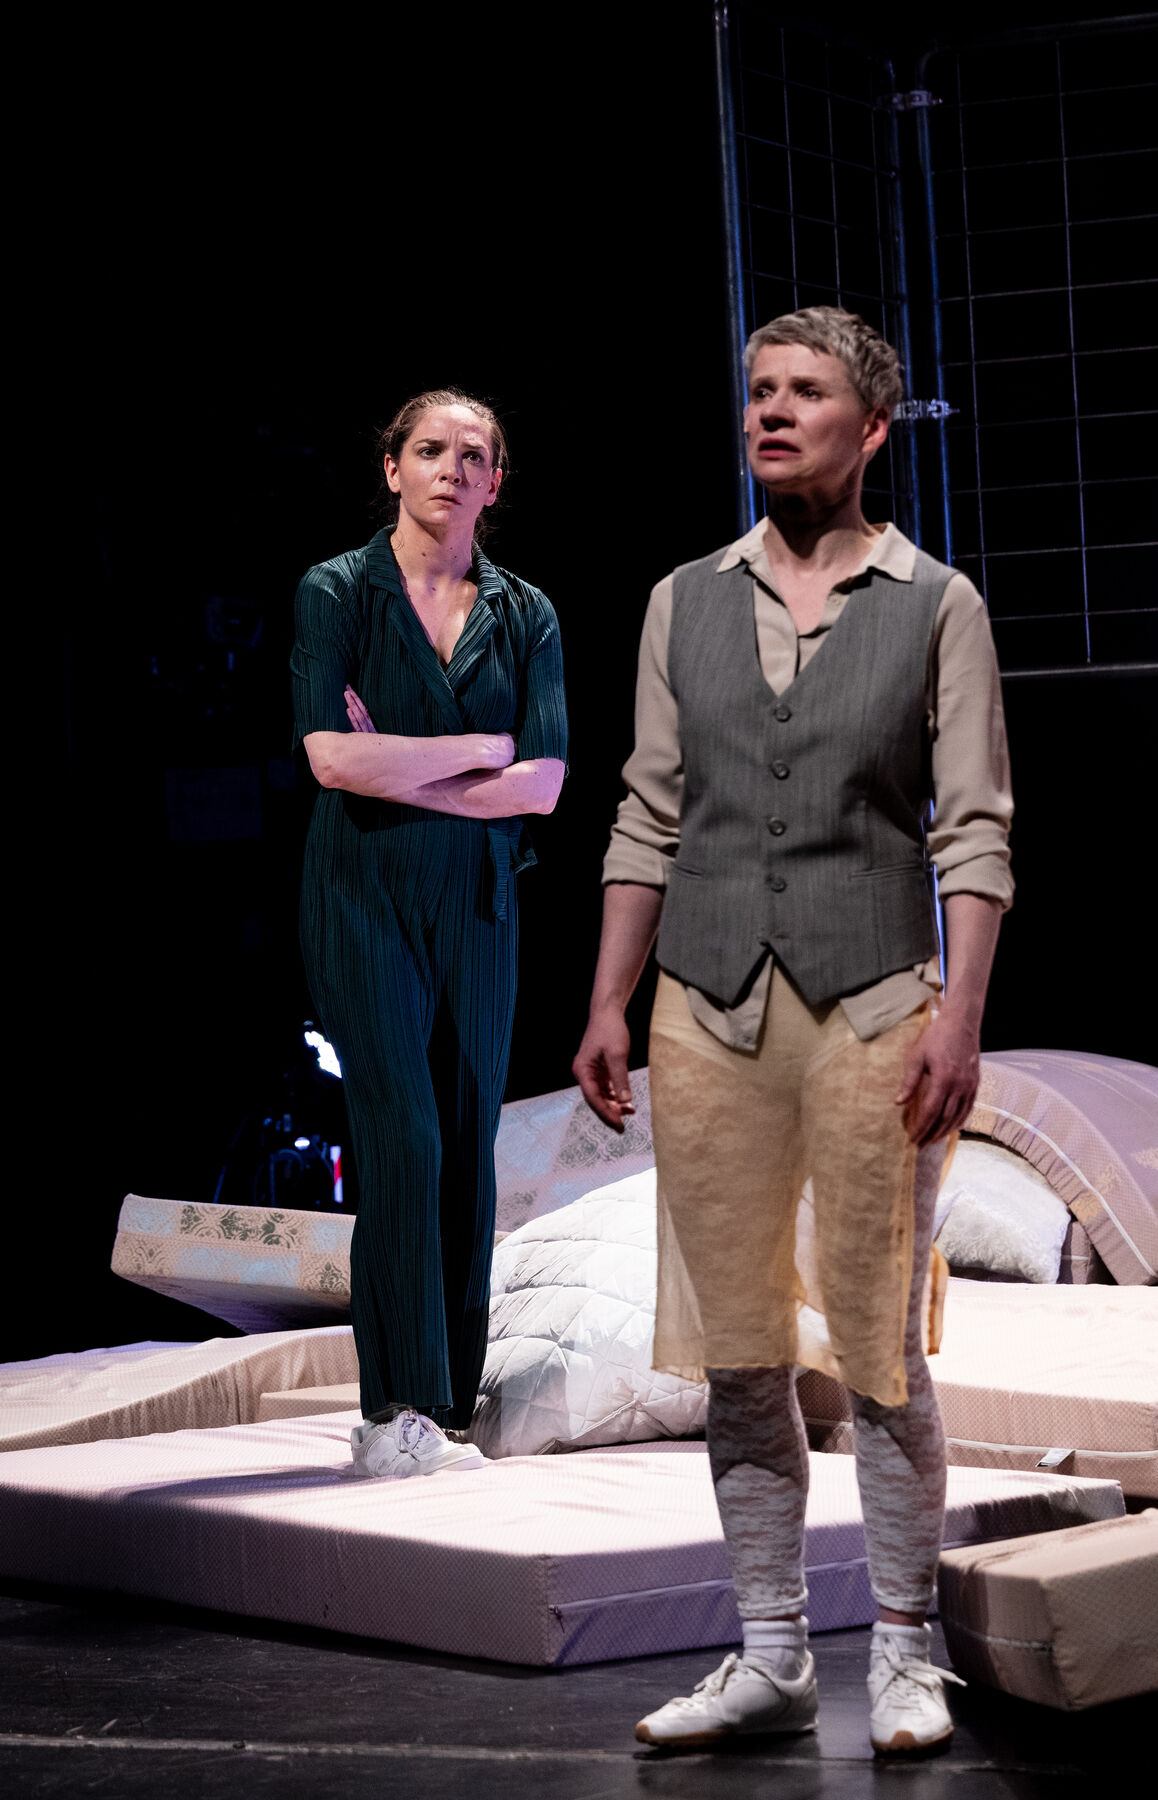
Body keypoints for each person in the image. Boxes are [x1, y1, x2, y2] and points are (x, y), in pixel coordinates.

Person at [573, 308, 1012, 1755]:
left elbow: (975, 832)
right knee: (741, 1351)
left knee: (877, 1348)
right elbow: (647, 814)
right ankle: (769, 1652)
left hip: (874, 1007)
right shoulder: (682, 599)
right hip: (706, 1007)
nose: (769, 411)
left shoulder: (933, 601)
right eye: (757, 389)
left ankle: (902, 1650)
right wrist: (607, 1002)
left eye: (803, 392)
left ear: (869, 427)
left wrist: (959, 1019)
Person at [292, 389, 568, 1481]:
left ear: (495, 483)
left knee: (463, 1142)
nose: (452, 467)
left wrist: (407, 763)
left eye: (474, 455)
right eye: (430, 449)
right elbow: (330, 759)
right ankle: (390, 1409)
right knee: (402, 1134)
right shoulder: (336, 591)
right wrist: (475, 751)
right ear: (393, 467)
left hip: (481, 905)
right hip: (362, 893)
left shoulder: (525, 612)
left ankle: (446, 1409)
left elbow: (542, 784)